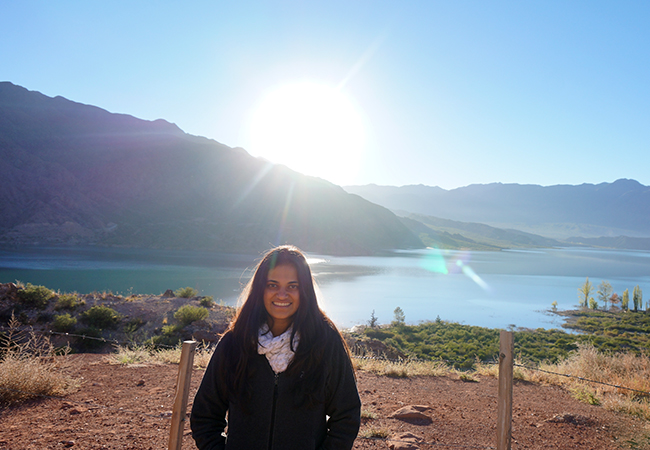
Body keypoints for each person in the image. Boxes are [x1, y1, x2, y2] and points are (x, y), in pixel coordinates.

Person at [190, 245, 361, 450]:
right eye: (272, 285)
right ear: (260, 289)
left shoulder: (325, 343)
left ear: (305, 290)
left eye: (292, 286)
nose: (282, 295)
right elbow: (204, 416)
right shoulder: (234, 343)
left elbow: (346, 416)